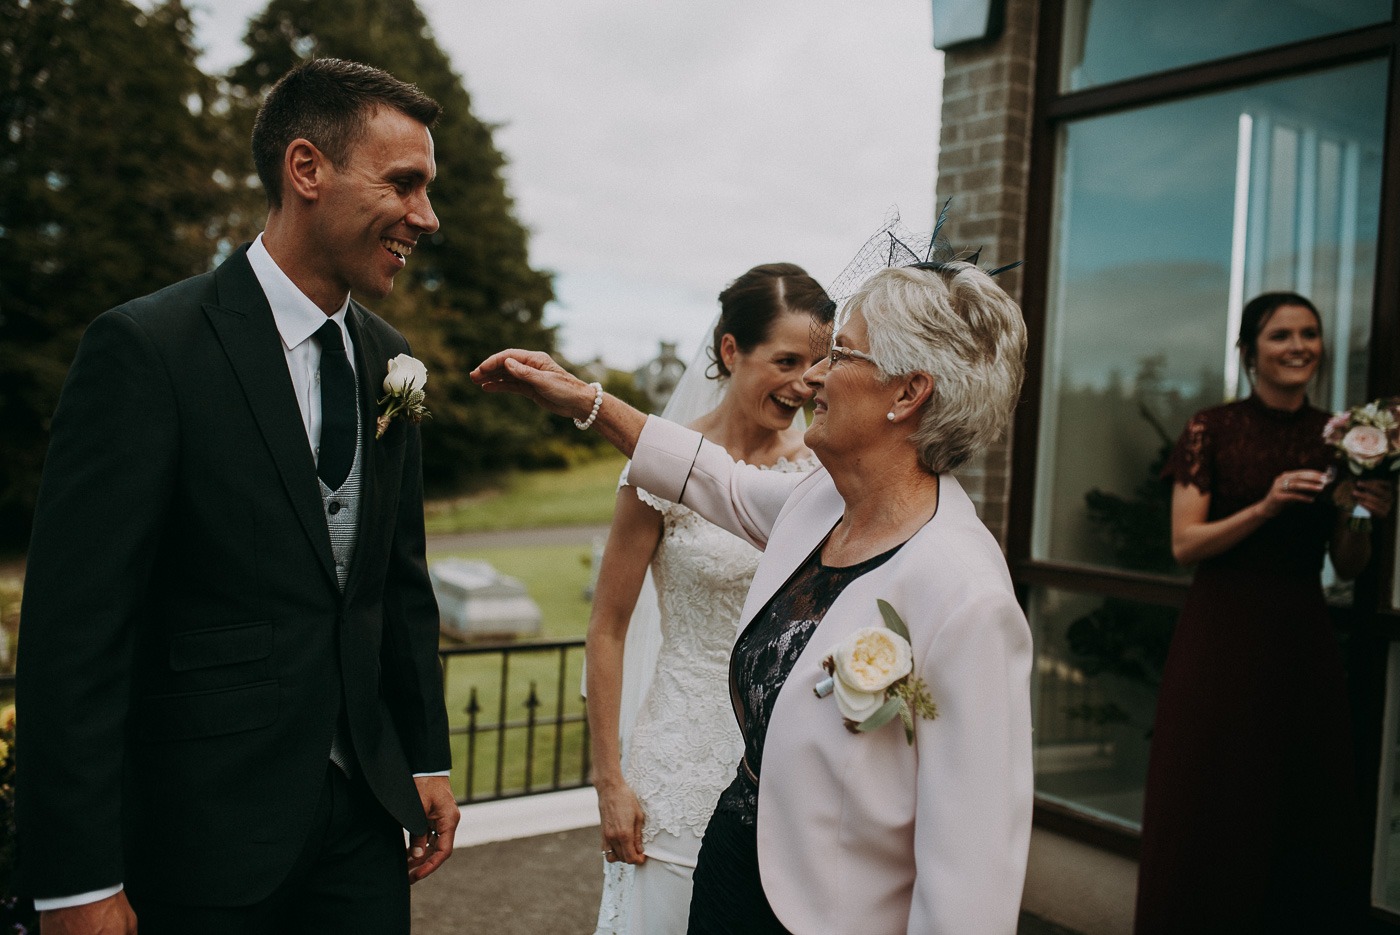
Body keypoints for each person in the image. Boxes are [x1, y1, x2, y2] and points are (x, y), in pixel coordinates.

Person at [15, 58, 459, 935]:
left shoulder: (389, 359)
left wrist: (425, 755)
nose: (426, 217)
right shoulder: (147, 348)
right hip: (200, 836)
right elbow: (76, 633)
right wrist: (76, 881)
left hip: (363, 830)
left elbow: (395, 582)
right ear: (307, 170)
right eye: (403, 183)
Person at [474, 257, 1033, 934]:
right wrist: (584, 400)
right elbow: (716, 479)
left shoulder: (966, 598)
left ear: (909, 391)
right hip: (733, 874)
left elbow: (968, 882)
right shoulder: (822, 502)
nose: (816, 377)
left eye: (842, 354)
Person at [1134, 292, 1393, 934]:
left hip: (1301, 635)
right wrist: (1266, 507)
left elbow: (1350, 564)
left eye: (1310, 334)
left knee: (1299, 801)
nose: (1299, 346)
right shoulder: (1210, 428)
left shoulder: (1341, 437)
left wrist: (1361, 514)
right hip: (1222, 631)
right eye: (1281, 336)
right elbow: (1185, 544)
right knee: (1216, 795)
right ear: (1250, 351)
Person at [590, 264, 832, 935]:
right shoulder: (659, 461)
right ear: (731, 351)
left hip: (785, 768)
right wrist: (610, 780)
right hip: (679, 757)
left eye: (819, 364)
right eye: (786, 360)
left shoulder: (823, 476)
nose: (804, 383)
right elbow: (607, 627)